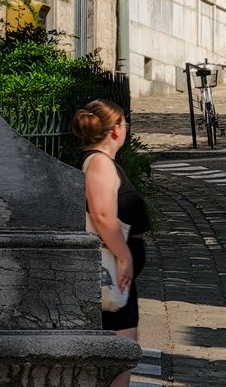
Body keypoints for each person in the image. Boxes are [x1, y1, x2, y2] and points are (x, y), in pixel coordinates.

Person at [77, 97, 149, 385]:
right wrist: (126, 256)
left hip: (115, 272)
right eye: (124, 123)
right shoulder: (100, 164)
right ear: (116, 129)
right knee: (119, 358)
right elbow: (103, 215)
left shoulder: (101, 162)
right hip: (113, 271)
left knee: (120, 355)